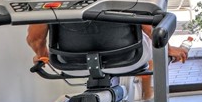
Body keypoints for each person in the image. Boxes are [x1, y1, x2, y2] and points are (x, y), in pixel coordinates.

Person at [27, 23, 190, 65]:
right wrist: (168, 49)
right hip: (128, 56)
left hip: (69, 60)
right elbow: (149, 29)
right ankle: (146, 84)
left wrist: (42, 55)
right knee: (146, 38)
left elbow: (35, 37)